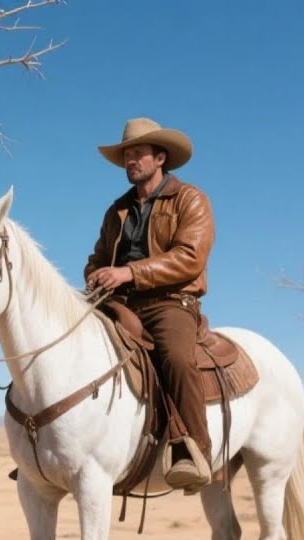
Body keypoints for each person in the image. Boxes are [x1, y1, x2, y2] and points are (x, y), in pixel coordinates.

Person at [84, 117, 216, 493]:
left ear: (160, 157)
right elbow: (96, 258)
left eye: (138, 153)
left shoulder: (190, 200)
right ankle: (50, 444)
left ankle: (194, 452)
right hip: (119, 301)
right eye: (127, 154)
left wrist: (129, 273)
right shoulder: (117, 211)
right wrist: (96, 274)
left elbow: (190, 257)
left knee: (176, 357)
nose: (131, 160)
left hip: (171, 301)